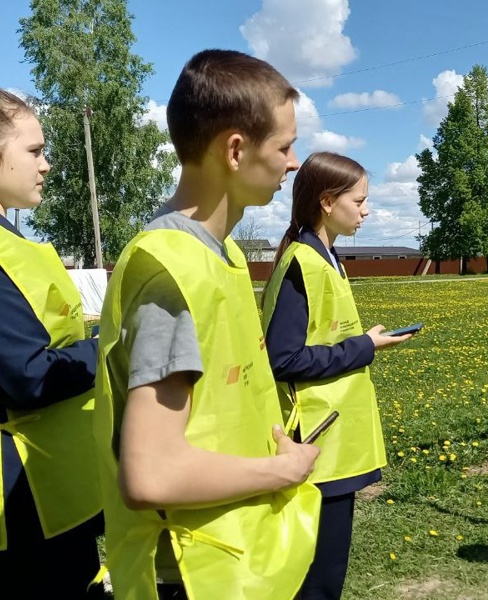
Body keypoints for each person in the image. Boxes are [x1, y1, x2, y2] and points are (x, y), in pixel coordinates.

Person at [93, 50, 322, 599]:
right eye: (285, 147)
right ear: (236, 150)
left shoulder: (225, 256)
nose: (294, 164)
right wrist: (284, 470)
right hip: (191, 577)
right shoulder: (171, 272)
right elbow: (151, 476)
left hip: (237, 560)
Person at [262, 152, 413, 599]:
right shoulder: (302, 263)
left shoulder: (328, 258)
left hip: (337, 442)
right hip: (316, 444)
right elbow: (282, 359)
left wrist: (363, 343)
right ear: (327, 201)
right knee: (318, 582)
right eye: (360, 200)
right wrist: (364, 346)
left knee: (328, 573)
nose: (366, 211)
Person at [0, 89, 103, 597]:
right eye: (34, 151)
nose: (46, 165)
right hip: (23, 495)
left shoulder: (12, 241)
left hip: (51, 484)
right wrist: (111, 347)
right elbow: (28, 375)